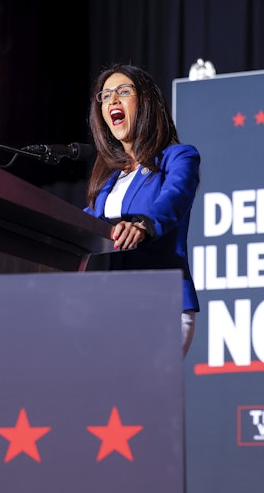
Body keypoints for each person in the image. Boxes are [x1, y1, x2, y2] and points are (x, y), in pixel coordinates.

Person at [83, 63, 201, 357]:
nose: (112, 99)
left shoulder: (178, 157)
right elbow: (84, 224)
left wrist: (143, 224)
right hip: (110, 305)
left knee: (143, 387)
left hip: (161, 301)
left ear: (146, 102)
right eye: (105, 95)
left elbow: (175, 197)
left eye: (123, 91)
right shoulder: (109, 179)